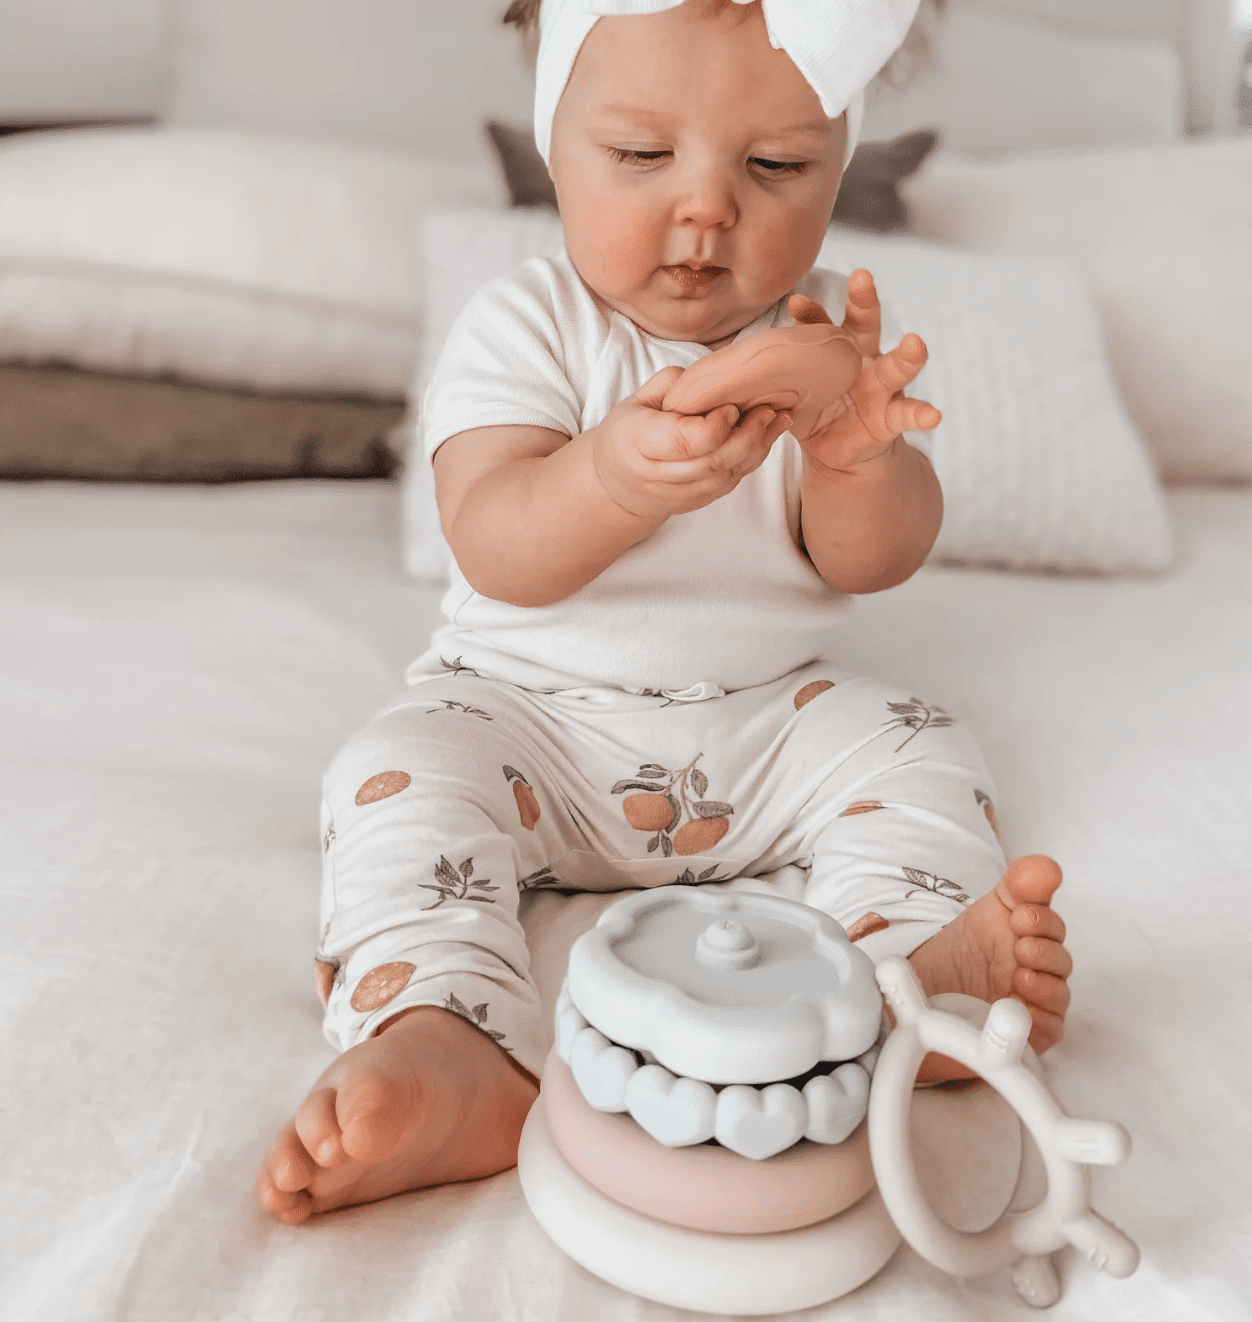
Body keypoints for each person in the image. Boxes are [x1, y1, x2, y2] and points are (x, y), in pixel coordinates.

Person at [257, 0, 1072, 1225]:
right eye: (642, 157)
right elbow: (499, 540)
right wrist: (611, 477)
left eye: (777, 166)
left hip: (763, 725)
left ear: (840, 161)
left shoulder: (813, 345)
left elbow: (872, 561)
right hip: (528, 722)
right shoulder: (525, 323)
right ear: (557, 141)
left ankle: (903, 978)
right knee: (397, 769)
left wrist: (856, 457)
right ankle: (447, 1027)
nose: (706, 210)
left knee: (911, 734)